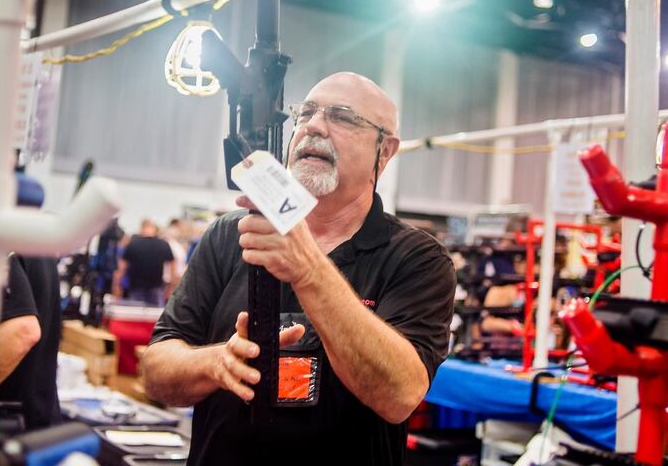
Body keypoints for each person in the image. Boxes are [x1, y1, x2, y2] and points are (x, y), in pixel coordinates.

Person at [141, 72, 456, 465]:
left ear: (385, 150)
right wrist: (216, 362)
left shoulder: (415, 258)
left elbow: (399, 396)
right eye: (305, 112)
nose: (314, 126)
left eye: (342, 116)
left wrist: (309, 269)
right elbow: (155, 371)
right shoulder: (231, 234)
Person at [0, 254, 63, 430]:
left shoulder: (0, 236)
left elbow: (22, 332)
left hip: (7, 429)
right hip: (36, 420)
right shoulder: (34, 239)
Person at [112, 219, 175, 306]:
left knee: (136, 316)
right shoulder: (163, 245)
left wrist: (116, 285)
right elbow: (172, 268)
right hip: (156, 287)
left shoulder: (133, 244)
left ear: (141, 228)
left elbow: (121, 267)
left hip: (136, 287)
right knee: (156, 316)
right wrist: (170, 288)